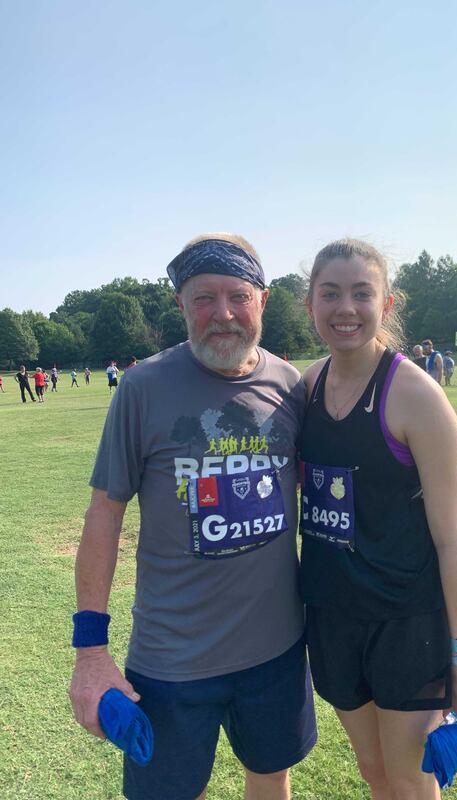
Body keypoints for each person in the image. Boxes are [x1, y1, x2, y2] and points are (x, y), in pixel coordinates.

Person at [69, 233, 317, 800]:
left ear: (264, 299)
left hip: (277, 648)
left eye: (237, 295)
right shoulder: (143, 386)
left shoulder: (290, 386)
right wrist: (91, 653)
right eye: (203, 298)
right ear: (181, 304)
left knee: (271, 775)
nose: (222, 314)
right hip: (172, 658)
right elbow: (104, 514)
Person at [299, 239, 457, 799]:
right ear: (308, 304)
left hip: (406, 624)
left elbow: (452, 543)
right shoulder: (307, 388)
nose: (346, 308)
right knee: (374, 772)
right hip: (332, 618)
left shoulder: (417, 397)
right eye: (330, 293)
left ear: (386, 305)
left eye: (362, 294)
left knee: (411, 781)